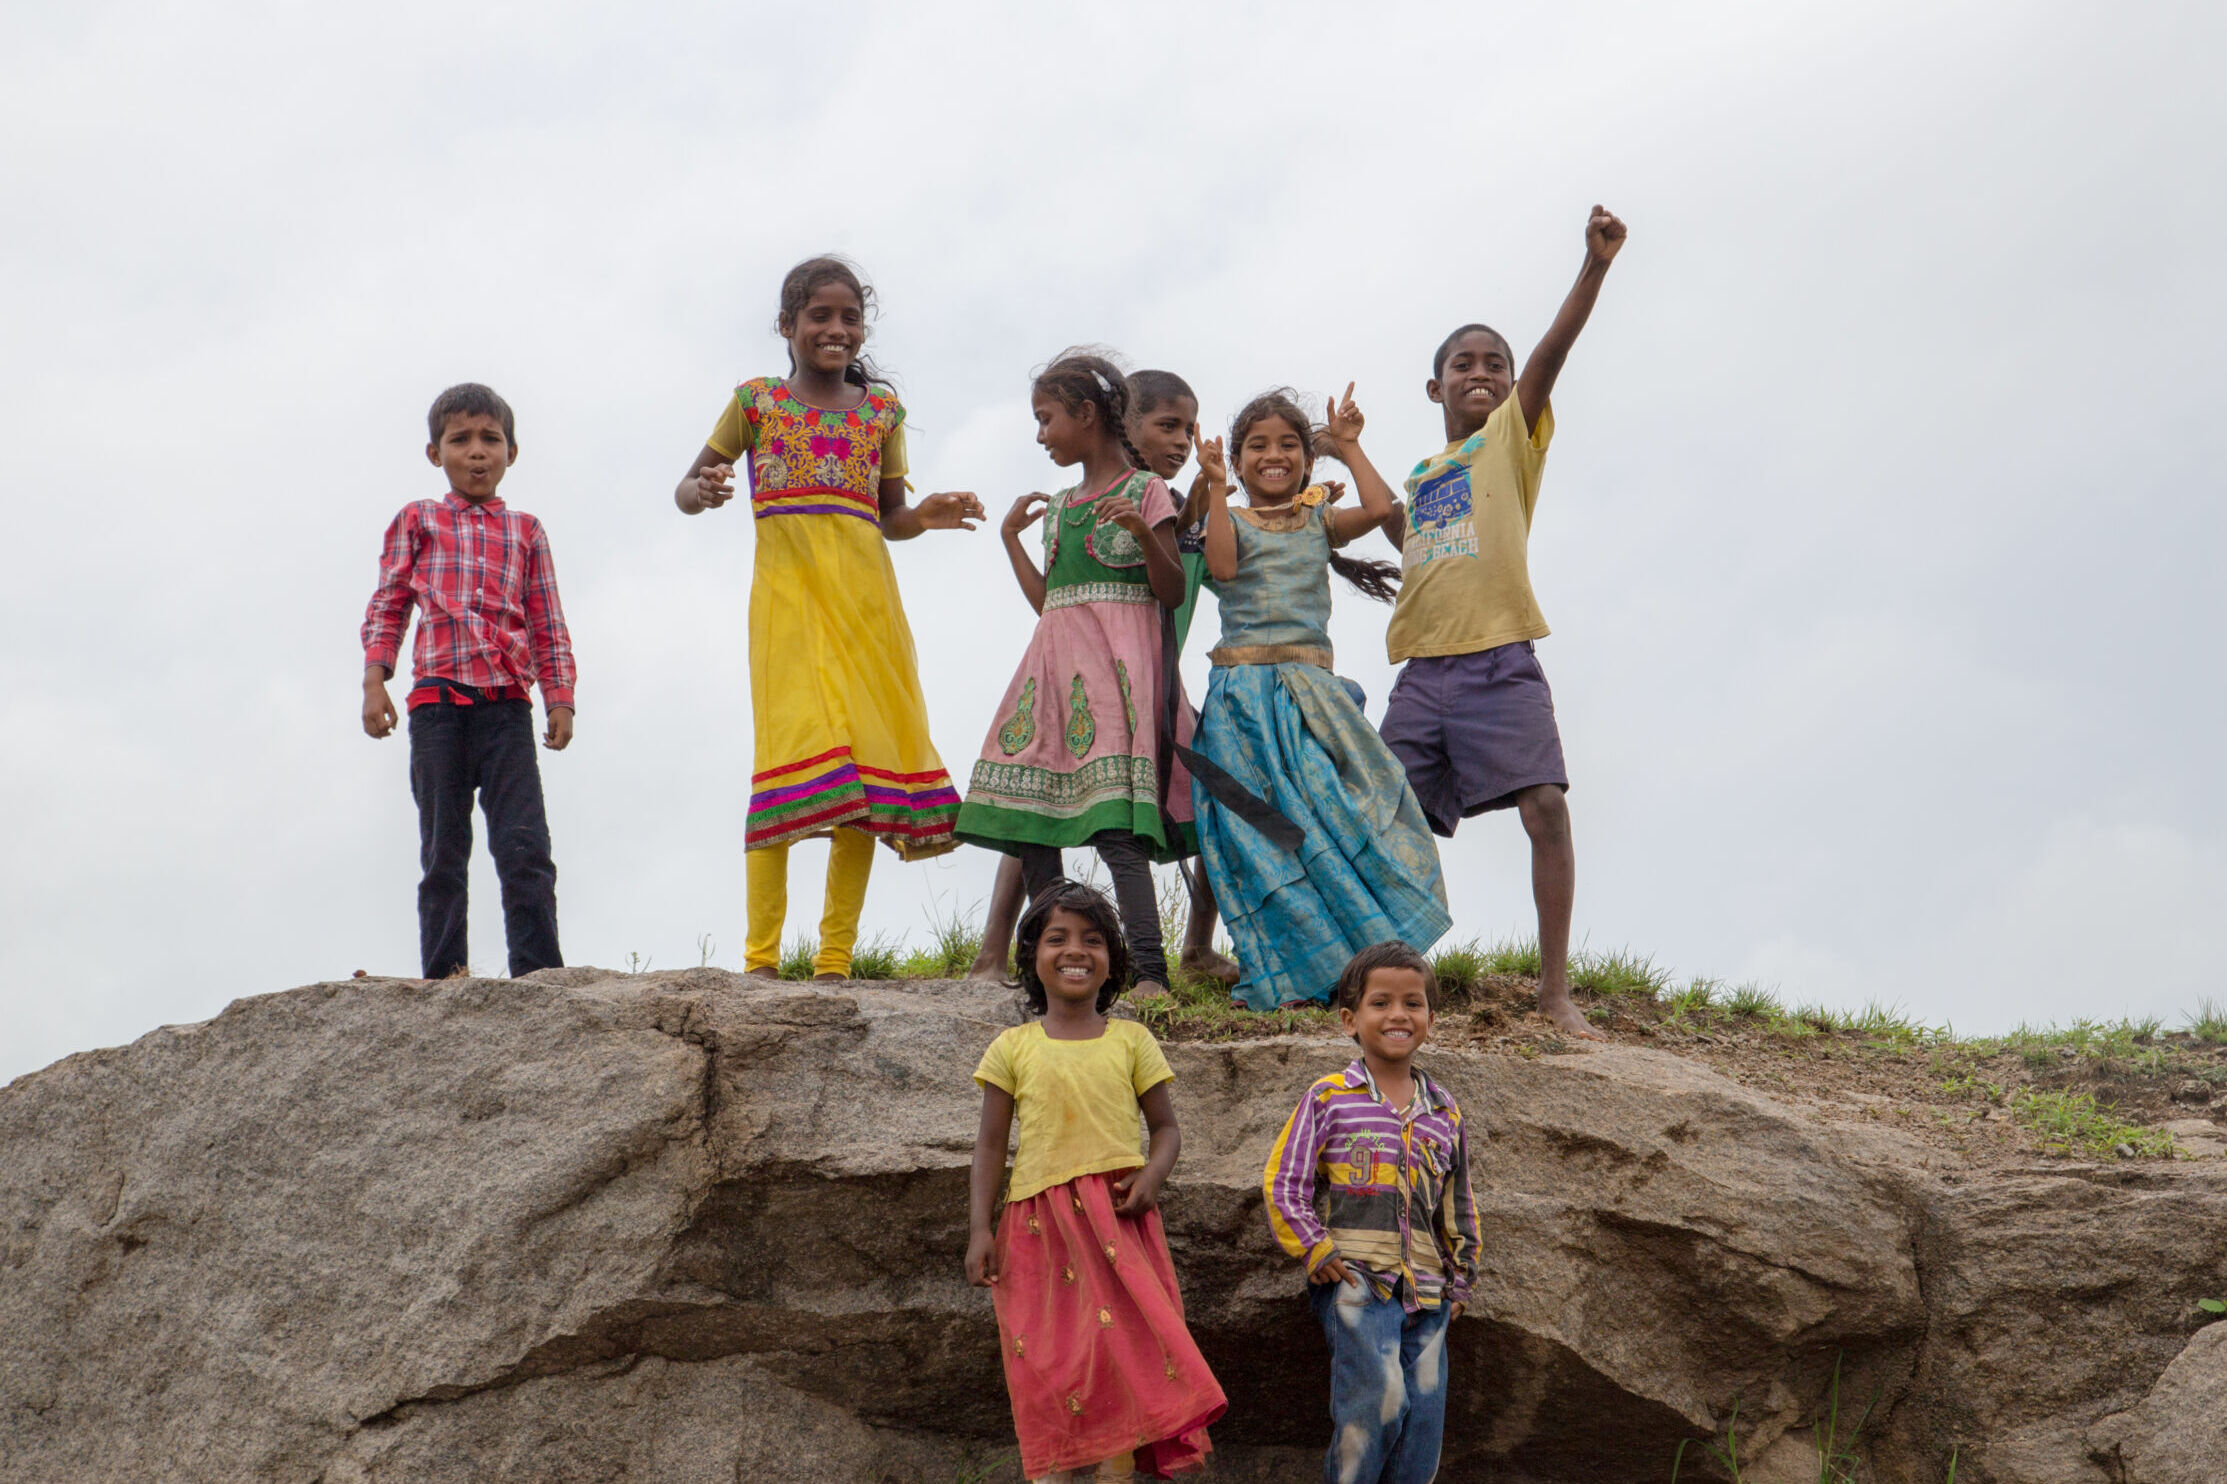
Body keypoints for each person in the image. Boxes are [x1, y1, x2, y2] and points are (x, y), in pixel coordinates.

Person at [673, 255, 984, 980]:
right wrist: (707, 488)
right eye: (820, 315)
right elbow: (686, 488)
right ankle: (759, 960)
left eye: (849, 317)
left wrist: (926, 516)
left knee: (863, 770)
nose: (836, 329)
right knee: (788, 753)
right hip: (787, 606)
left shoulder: (881, 413)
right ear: (787, 326)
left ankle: (835, 959)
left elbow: (892, 515)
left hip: (867, 609)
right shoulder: (755, 404)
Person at [1377, 205, 1628, 1041]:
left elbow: (1552, 354)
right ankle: (1390, 983)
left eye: (1494, 363)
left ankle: (1553, 991)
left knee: (1545, 807)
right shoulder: (1425, 474)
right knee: (1386, 820)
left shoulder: (1507, 441)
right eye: (1461, 363)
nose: (1478, 372)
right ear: (1434, 385)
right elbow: (1407, 537)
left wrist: (1591, 267)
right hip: (1421, 670)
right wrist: (1344, 454)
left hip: (1498, 661)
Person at [966, 369, 1237, 988]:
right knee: (1034, 820)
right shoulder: (1059, 507)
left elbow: (1168, 592)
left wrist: (1145, 534)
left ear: (1087, 414)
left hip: (1120, 682)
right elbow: (1050, 602)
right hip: (1052, 677)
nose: (1040, 435)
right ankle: (1050, 963)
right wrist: (1011, 541)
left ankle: (1149, 972)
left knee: (1118, 830)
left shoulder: (1147, 491)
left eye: (1046, 419)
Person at [1188, 388, 1450, 1009]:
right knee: (1255, 827)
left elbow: (1383, 507)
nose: (1273, 455)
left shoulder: (1318, 520)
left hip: (1312, 694)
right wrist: (1218, 489)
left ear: (1308, 460)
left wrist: (1350, 447)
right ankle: (1294, 966)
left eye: (1288, 445)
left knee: (1335, 808)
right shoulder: (1227, 517)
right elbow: (1221, 569)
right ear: (1238, 455)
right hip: (1244, 696)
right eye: (1257, 445)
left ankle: (1360, 950)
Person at [967, 881, 1225, 1480]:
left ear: (1112, 956)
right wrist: (980, 1228)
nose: (1074, 951)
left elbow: (1166, 1130)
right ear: (1032, 955)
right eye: (1056, 938)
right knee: (1051, 1366)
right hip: (1036, 1230)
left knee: (1123, 1364)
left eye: (1091, 939)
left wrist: (1152, 1179)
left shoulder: (1133, 1040)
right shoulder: (1012, 1047)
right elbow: (988, 1146)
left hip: (1119, 1224)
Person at [361, 383, 574, 981]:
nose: (477, 452)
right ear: (436, 453)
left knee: (525, 848)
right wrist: (375, 680)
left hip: (507, 708)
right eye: (461, 440)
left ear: (511, 451)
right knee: (443, 851)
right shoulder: (419, 519)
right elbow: (390, 602)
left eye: (491, 439)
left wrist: (559, 698)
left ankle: (539, 975)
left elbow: (546, 619)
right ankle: (444, 975)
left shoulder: (527, 531)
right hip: (438, 709)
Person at [1262, 941, 1479, 1484]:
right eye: (1380, 1003)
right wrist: (1314, 1246)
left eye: (1414, 1002)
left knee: (1423, 1421)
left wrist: (1463, 1278)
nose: (1398, 1014)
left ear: (1430, 1017)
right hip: (1358, 1283)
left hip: (1429, 1291)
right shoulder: (1329, 1097)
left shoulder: (1443, 1110)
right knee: (1376, 1405)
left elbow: (1458, 1201)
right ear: (1349, 1019)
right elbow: (1284, 1180)